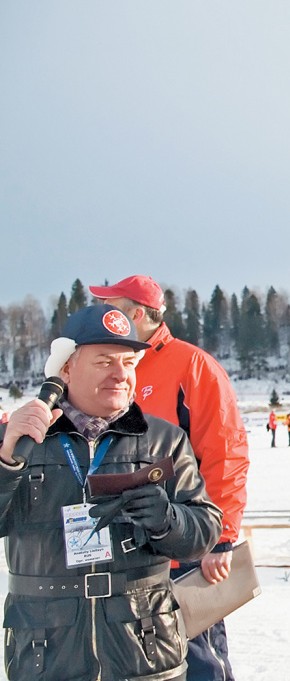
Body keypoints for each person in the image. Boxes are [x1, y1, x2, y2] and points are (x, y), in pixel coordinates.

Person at [0, 304, 222, 680]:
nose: (121, 375)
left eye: (130, 362)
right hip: (46, 652)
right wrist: (6, 460)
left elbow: (205, 531)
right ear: (66, 368)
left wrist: (168, 521)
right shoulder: (21, 439)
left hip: (145, 647)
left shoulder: (165, 439)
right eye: (104, 362)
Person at [90, 275, 249, 681]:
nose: (105, 316)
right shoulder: (115, 367)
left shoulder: (192, 366)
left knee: (199, 660)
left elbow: (225, 453)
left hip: (183, 549)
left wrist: (221, 537)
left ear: (137, 314)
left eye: (113, 307)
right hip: (126, 553)